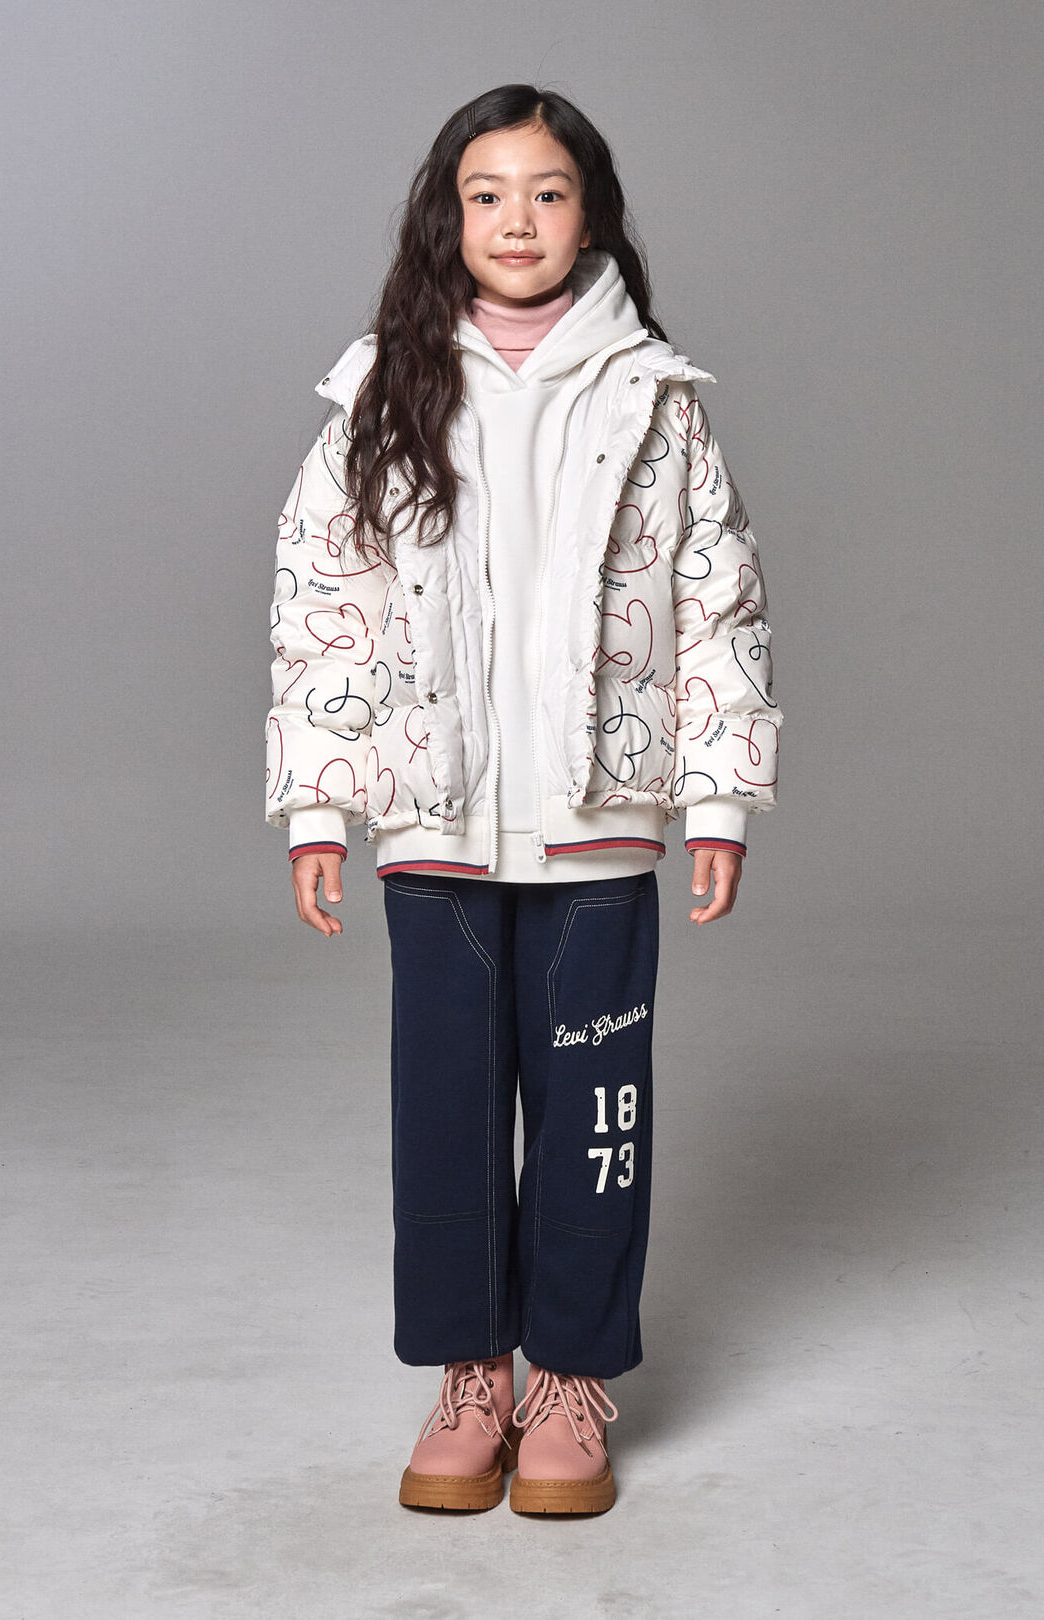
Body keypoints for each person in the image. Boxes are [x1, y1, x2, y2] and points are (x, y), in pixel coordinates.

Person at [265, 84, 783, 1516]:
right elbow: (325, 609)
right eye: (486, 194)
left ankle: (569, 1376)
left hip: (597, 830)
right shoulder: (381, 395)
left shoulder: (656, 403)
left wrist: (718, 802)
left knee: (592, 1115)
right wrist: (320, 807)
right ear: (449, 215)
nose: (516, 220)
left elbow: (718, 605)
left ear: (590, 213)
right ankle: (470, 1373)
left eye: (547, 192)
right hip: (436, 828)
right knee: (443, 1115)